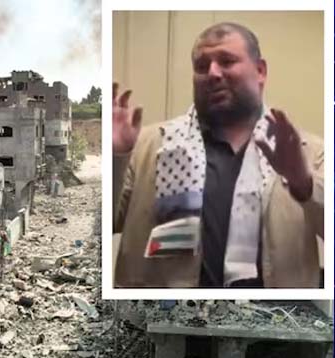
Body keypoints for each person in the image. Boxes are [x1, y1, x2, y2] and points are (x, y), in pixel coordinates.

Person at [113, 22, 324, 288]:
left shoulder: (308, 152)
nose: (212, 73)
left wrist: (304, 184)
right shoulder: (148, 145)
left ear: (260, 71)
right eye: (202, 66)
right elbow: (105, 224)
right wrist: (116, 157)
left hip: (272, 313)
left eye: (227, 61)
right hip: (162, 311)